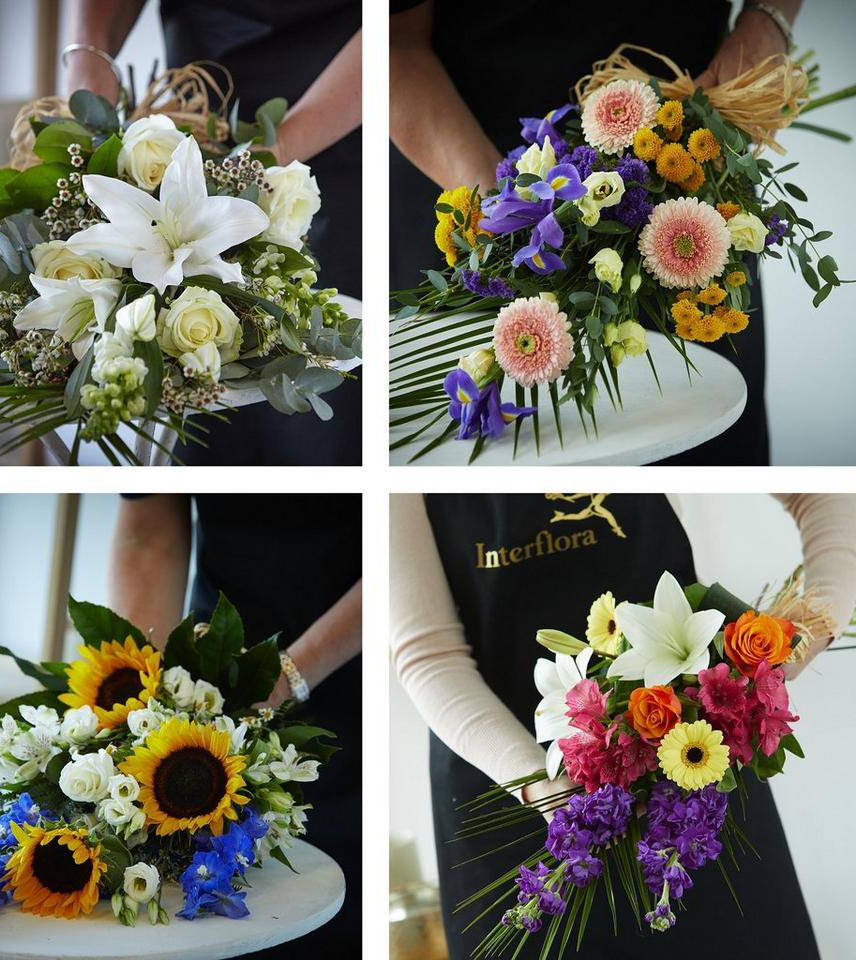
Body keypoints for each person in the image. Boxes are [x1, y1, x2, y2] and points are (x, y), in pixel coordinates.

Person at [390, 493, 856, 959]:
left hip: (695, 760)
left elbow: (822, 493)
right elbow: (429, 656)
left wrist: (814, 620)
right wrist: (546, 788)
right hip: (513, 776)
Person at [390, 1, 803, 465]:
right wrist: (518, 216)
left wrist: (766, 21)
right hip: (474, 167)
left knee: (703, 437)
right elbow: (393, 44)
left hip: (689, 158)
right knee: (504, 466)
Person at [65, 1, 362, 465]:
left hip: (335, 130)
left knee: (321, 441)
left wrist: (267, 155)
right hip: (197, 102)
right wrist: (88, 55)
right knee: (198, 441)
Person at [109, 494, 362, 958]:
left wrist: (283, 678)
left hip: (345, 680)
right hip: (210, 664)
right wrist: (138, 696)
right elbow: (148, 531)